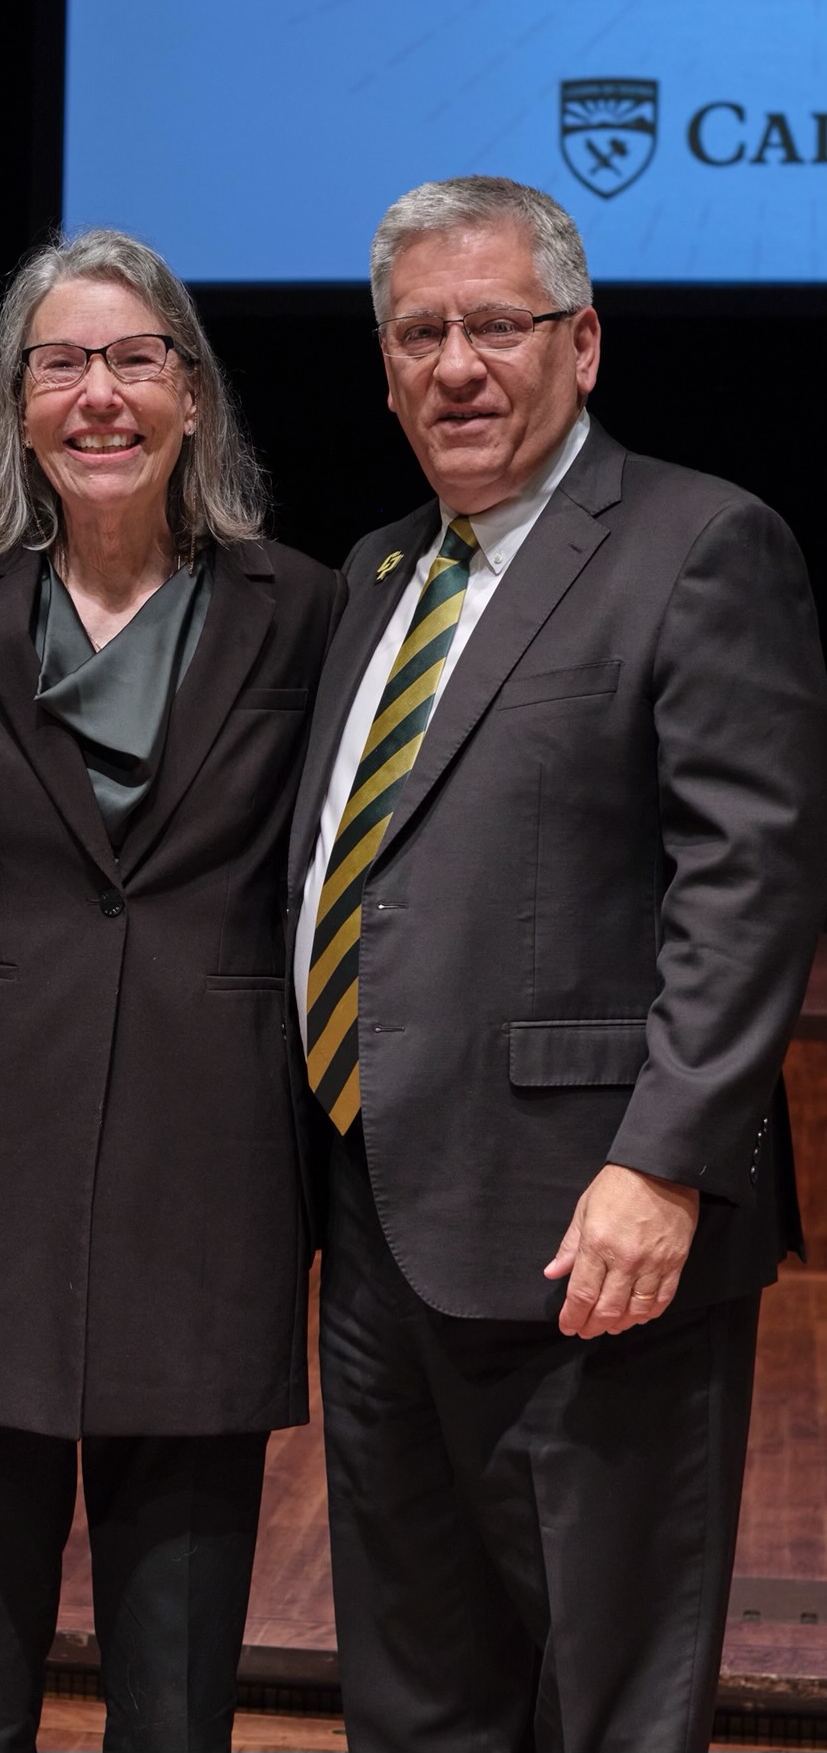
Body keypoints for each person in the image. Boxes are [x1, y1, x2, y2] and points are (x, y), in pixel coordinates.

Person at [289, 174, 827, 1752]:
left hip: (597, 1235)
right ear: (384, 368)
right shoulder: (380, 570)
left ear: (582, 345)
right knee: (417, 1690)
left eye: (497, 327)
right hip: (381, 1219)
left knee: (606, 1694)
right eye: (419, 334)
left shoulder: (701, 542)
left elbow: (754, 880)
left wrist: (663, 1163)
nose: (457, 365)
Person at [0, 228, 344, 1752]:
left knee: (180, 1681)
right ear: (20, 403)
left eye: (135, 358)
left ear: (192, 393)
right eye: (61, 363)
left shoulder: (303, 605)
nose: (100, 394)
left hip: (212, 1173)